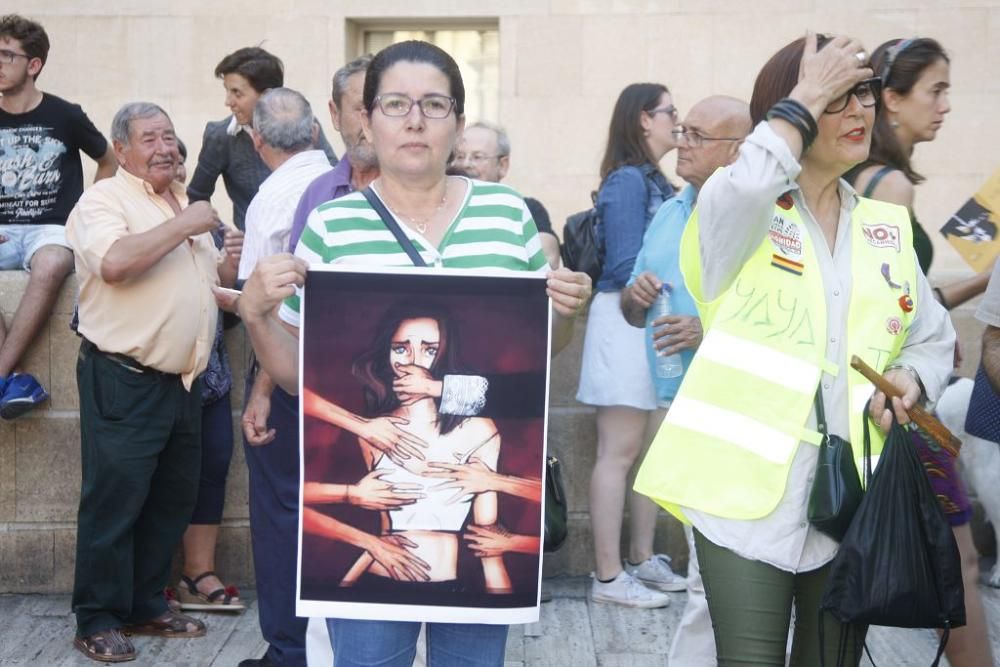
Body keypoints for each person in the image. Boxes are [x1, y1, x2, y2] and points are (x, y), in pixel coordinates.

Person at [231, 39, 590, 667]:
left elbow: (539, 360)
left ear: (456, 120)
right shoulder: (333, 225)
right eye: (395, 104)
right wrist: (257, 313)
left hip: (470, 544)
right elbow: (294, 374)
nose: (415, 119)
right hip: (374, 540)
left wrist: (569, 314)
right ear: (365, 121)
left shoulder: (507, 216)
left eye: (434, 104)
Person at [634, 33, 955, 666]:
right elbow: (746, 184)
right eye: (838, 97)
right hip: (739, 500)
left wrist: (913, 379)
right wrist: (806, 94)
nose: (859, 112)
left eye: (863, 94)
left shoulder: (883, 228)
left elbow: (932, 336)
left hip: (850, 499)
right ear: (793, 113)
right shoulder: (737, 210)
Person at [65, 102, 240, 663]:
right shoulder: (103, 201)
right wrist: (185, 224)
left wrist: (229, 264)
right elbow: (115, 263)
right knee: (113, 504)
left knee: (169, 502)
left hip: (184, 382)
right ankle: (95, 618)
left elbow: (201, 286)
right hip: (124, 378)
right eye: (150, 138)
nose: (165, 147)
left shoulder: (180, 202)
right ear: (122, 150)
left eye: (170, 136)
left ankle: (144, 604)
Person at [844, 38, 994, 667]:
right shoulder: (891, 186)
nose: (946, 106)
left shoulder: (865, 179)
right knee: (954, 558)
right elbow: (889, 304)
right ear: (892, 100)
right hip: (905, 399)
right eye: (935, 90)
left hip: (889, 392)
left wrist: (981, 282)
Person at [621, 95, 751, 666]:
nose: (681, 143)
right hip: (681, 404)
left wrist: (709, 330)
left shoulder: (764, 217)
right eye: (683, 131)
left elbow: (785, 317)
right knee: (705, 571)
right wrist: (634, 295)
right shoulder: (671, 210)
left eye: (698, 135)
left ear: (739, 151)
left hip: (740, 412)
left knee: (718, 575)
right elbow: (630, 307)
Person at [577, 82, 681, 609]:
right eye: (669, 112)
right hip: (624, 322)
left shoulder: (652, 180)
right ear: (643, 119)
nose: (677, 122)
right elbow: (622, 266)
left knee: (648, 453)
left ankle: (640, 559)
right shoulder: (626, 181)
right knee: (618, 452)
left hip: (650, 323)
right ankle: (609, 577)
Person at [0, 14, 117, 418]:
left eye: (6, 55)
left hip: (51, 229)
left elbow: (108, 159)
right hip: (3, 231)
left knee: (50, 264)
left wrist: (84, 212)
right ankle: (13, 377)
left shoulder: (65, 115)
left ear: (33, 65)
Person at [171, 139, 246, 614]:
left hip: (211, 379)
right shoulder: (125, 218)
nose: (173, 166)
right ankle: (149, 579)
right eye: (159, 153)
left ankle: (198, 573)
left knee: (212, 468)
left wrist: (232, 272)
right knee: (155, 476)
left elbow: (230, 318)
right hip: (151, 378)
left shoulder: (212, 228)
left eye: (178, 158)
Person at [186, 46, 337, 231]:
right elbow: (196, 198)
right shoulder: (220, 136)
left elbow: (335, 179)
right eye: (227, 91)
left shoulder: (305, 124)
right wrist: (224, 239)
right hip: (255, 251)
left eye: (237, 93)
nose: (228, 101)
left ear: (266, 95)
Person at [287, 54, 379, 253]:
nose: (371, 120)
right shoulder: (317, 193)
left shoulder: (415, 190)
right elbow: (299, 276)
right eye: (361, 108)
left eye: (382, 107)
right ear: (335, 114)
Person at [451, 121, 561, 268]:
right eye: (459, 156)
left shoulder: (524, 208)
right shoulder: (442, 207)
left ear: (502, 165)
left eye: (477, 157)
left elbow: (549, 259)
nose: (466, 164)